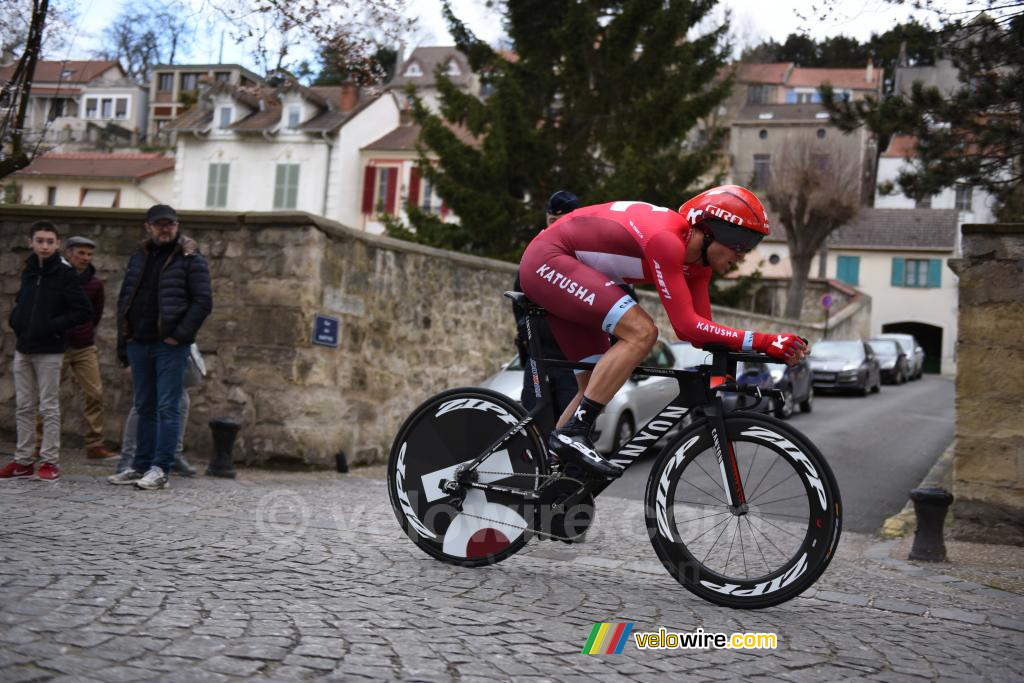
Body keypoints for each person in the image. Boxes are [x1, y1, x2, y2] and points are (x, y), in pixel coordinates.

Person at [517, 185, 809, 478]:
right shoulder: (667, 241)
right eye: (741, 246)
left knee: (595, 384)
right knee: (642, 332)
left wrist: (769, 350)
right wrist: (765, 339)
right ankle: (572, 433)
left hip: (571, 268)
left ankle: (544, 473)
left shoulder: (697, 267)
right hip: (548, 258)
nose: (743, 257)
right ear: (712, 232)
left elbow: (700, 333)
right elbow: (684, 325)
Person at [107, 205, 212, 491]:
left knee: (168, 407)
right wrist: (123, 345)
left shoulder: (191, 258)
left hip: (169, 346)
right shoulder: (139, 256)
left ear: (177, 226)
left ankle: (161, 468)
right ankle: (140, 465)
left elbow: (203, 302)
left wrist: (179, 336)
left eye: (170, 224)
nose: (165, 229)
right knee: (144, 406)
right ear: (148, 226)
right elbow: (125, 301)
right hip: (139, 342)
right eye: (159, 224)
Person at [0, 221, 91, 482]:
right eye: (40, 240)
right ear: (31, 242)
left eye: (50, 241)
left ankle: (50, 461)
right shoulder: (30, 269)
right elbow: (23, 300)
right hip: (24, 347)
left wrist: (53, 326)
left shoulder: (65, 273)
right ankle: (23, 460)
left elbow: (83, 311)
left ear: (57, 244)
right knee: (24, 406)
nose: (44, 245)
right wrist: (17, 320)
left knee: (49, 406)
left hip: (49, 349)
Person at [511, 191, 583, 420]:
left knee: (570, 425)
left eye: (559, 219)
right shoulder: (536, 250)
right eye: (551, 220)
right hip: (539, 355)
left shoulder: (585, 253)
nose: (554, 224)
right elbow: (518, 297)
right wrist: (525, 330)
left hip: (572, 357)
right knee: (533, 422)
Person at [48, 236, 117, 459]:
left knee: (95, 393)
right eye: (81, 253)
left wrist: (84, 333)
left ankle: (95, 444)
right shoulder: (55, 277)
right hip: (57, 345)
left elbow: (94, 315)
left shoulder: (95, 284)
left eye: (89, 254)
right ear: (68, 253)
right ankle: (40, 442)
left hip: (84, 346)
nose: (86, 258)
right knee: (48, 394)